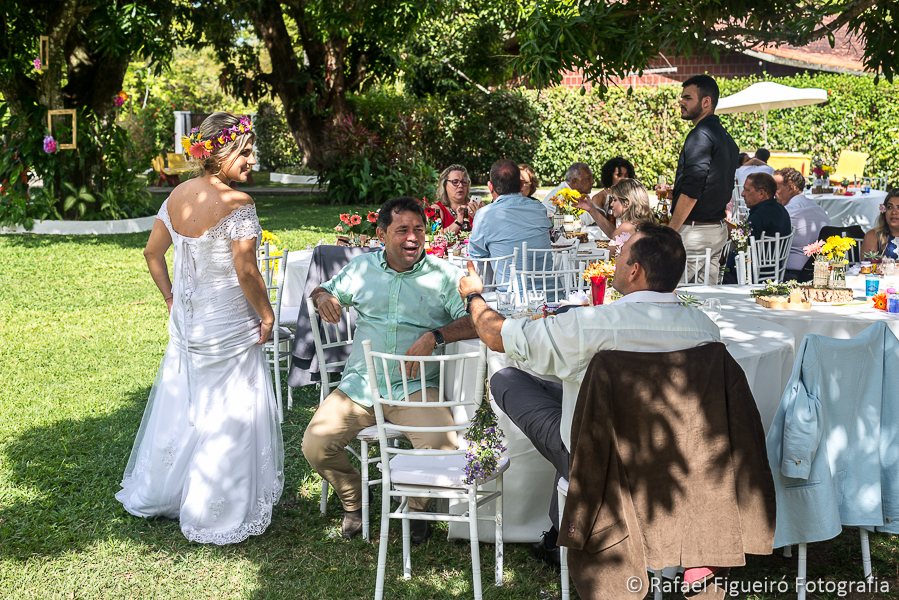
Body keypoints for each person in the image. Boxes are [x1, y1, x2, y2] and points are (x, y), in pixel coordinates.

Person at [458, 222, 720, 567]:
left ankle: (561, 530)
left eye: (621, 255)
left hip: (599, 456)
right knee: (573, 399)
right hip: (677, 452)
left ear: (635, 270)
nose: (615, 260)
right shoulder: (706, 329)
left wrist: (474, 295)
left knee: (507, 379)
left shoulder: (591, 325)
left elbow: (496, 336)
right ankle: (557, 531)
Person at [116, 112, 285, 545]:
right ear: (217, 153)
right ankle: (214, 511)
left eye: (250, 151)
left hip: (189, 324)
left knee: (186, 404)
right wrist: (267, 315)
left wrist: (171, 298)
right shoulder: (238, 203)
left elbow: (153, 254)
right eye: (243, 152)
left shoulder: (178, 196)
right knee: (227, 411)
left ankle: (162, 492)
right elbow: (247, 272)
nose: (251, 159)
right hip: (228, 322)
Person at [302, 196, 477, 542]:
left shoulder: (444, 275)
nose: (412, 238)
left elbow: (477, 320)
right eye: (402, 231)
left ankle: (416, 507)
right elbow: (325, 290)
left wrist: (436, 335)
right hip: (361, 386)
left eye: (418, 230)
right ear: (381, 235)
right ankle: (354, 497)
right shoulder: (363, 268)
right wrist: (323, 297)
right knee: (316, 445)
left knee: (442, 447)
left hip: (414, 387)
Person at [669, 75, 739, 284]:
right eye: (682, 97)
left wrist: (671, 231)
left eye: (688, 98)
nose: (682, 102)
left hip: (694, 233)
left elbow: (693, 189)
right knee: (704, 301)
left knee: (673, 297)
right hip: (715, 230)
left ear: (706, 102)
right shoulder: (727, 138)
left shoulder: (701, 135)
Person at [469, 159, 552, 272]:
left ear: (490, 186)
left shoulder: (484, 215)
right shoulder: (539, 208)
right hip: (552, 288)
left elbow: (477, 255)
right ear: (521, 184)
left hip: (509, 289)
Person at [774, 167, 831, 281]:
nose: (773, 194)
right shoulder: (820, 210)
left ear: (791, 188)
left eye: (776, 188)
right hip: (819, 273)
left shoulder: (787, 212)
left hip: (791, 276)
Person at [576, 178, 653, 244]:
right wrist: (592, 209)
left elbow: (607, 255)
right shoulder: (645, 223)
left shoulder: (627, 227)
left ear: (627, 203)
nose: (612, 204)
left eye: (615, 200)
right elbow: (614, 234)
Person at [580, 156, 636, 226]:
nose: (623, 179)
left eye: (626, 175)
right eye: (619, 175)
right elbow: (597, 222)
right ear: (609, 176)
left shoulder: (633, 195)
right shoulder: (600, 197)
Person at [434, 164, 483, 234]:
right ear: (445, 185)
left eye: (464, 182)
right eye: (455, 182)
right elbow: (437, 239)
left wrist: (479, 219)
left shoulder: (478, 207)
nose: (460, 186)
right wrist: (458, 222)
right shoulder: (436, 210)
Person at [743, 172, 792, 240]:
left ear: (761, 193)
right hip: (780, 250)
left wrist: (725, 224)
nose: (742, 194)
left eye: (747, 190)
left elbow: (744, 242)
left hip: (760, 250)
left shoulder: (759, 215)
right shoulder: (782, 210)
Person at [861, 190, 899, 259]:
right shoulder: (873, 236)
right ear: (884, 211)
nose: (894, 212)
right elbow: (868, 267)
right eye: (889, 207)